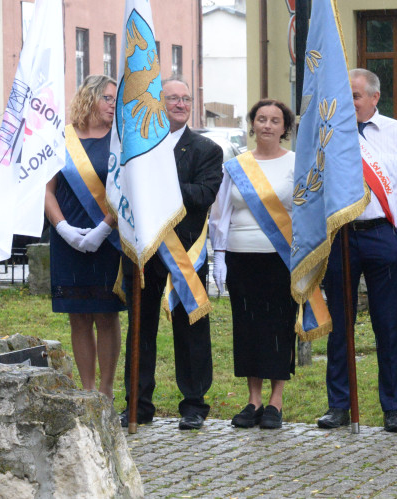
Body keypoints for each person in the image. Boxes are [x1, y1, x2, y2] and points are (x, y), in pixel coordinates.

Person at [317, 68, 397, 433]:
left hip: (383, 234)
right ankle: (338, 405)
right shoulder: (330, 132)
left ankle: (392, 408)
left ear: (374, 98)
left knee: (386, 325)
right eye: (345, 95)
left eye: (355, 95)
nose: (349, 102)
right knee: (340, 324)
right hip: (341, 237)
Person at [122, 77, 222, 429]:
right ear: (157, 104)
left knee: (191, 328)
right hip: (144, 252)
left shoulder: (206, 150)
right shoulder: (137, 148)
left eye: (185, 99)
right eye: (172, 98)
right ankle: (137, 404)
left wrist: (159, 184)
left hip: (185, 252)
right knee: (141, 327)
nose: (180, 104)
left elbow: (202, 195)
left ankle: (194, 404)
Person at [210, 99, 298, 429]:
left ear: (284, 128)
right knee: (247, 326)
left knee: (278, 325)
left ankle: (275, 402)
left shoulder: (295, 163)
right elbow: (220, 214)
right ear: (253, 124)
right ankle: (253, 400)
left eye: (275, 120)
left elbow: (304, 212)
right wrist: (219, 256)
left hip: (281, 256)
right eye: (261, 119)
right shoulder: (236, 166)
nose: (267, 125)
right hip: (240, 255)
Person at [44, 75, 124, 398]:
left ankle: (105, 391)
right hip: (68, 239)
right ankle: (87, 390)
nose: (113, 105)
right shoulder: (61, 139)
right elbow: (47, 190)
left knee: (106, 314)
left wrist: (104, 227)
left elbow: (124, 190)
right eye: (108, 98)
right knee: (78, 315)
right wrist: (62, 228)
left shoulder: (119, 140)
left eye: (115, 100)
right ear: (89, 98)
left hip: (108, 238)